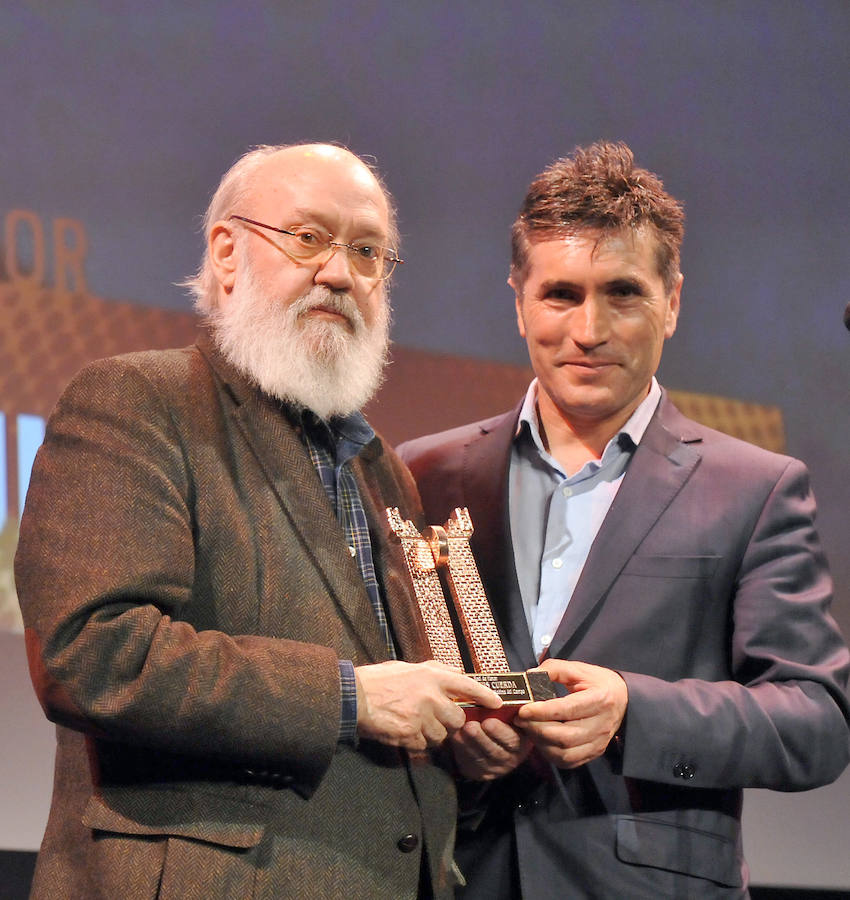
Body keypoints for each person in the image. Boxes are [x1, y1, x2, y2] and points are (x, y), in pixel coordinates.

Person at [15, 142, 502, 900]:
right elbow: (94, 655)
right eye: (308, 239)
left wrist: (460, 747)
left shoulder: (385, 473)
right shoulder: (138, 401)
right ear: (228, 252)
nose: (340, 274)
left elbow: (397, 711)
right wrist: (351, 699)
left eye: (369, 253)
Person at [398, 141, 850, 898]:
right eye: (561, 295)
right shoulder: (425, 472)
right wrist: (448, 740)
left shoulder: (756, 487)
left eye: (623, 293)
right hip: (455, 877)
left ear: (672, 302)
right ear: (518, 300)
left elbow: (816, 720)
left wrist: (632, 711)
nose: (589, 330)